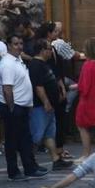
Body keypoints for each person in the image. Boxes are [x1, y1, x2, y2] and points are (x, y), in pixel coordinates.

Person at [0, 34, 47, 180]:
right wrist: (12, 107)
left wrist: (28, 104)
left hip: (22, 105)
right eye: (15, 44)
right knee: (13, 140)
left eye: (20, 43)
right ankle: (13, 171)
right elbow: (7, 89)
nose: (19, 46)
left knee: (25, 139)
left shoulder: (18, 60)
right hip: (14, 106)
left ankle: (30, 167)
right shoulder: (7, 64)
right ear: (8, 45)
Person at [27, 38, 72, 170]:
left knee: (49, 134)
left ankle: (56, 159)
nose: (51, 52)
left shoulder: (45, 64)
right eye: (49, 49)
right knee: (37, 135)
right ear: (42, 51)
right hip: (40, 107)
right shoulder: (35, 65)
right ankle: (29, 162)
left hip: (50, 106)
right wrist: (46, 102)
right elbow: (38, 87)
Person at [74, 38, 95, 161]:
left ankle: (86, 154)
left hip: (87, 100)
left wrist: (75, 87)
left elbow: (84, 86)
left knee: (82, 126)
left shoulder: (88, 65)